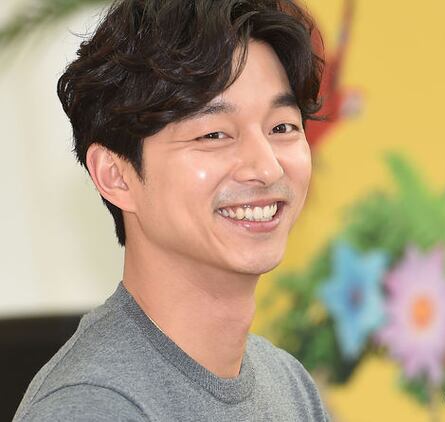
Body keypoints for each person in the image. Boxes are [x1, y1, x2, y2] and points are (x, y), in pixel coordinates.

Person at [14, 0, 328, 420]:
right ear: (115, 175)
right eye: (214, 134)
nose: (267, 167)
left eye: (281, 127)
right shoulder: (92, 407)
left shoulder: (289, 384)